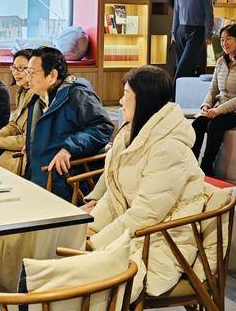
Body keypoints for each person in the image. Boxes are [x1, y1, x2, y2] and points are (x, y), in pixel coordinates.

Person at [85, 66, 215, 296]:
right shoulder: (130, 135)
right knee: (64, 255)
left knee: (82, 277)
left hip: (163, 242)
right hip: (138, 233)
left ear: (144, 100)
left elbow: (146, 213)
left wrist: (98, 240)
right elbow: (114, 195)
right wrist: (92, 227)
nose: (120, 101)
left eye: (126, 94)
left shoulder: (168, 148)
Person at [25, 48, 114, 200]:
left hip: (65, 184)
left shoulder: (78, 95)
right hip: (41, 178)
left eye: (32, 73)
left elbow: (103, 127)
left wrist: (69, 147)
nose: (28, 78)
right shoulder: (37, 97)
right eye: (28, 72)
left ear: (52, 75)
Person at [192, 23, 236, 178]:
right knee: (198, 123)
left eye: (228, 39)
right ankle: (190, 166)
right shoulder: (221, 61)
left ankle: (206, 167)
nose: (224, 43)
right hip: (222, 109)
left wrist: (218, 110)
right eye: (222, 39)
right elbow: (213, 89)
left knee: (215, 125)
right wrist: (206, 105)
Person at [171, 0, 213, 80]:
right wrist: (173, 32)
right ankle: (183, 91)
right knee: (181, 64)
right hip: (180, 31)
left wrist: (208, 34)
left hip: (197, 32)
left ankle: (173, 90)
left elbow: (209, 13)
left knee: (183, 66)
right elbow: (176, 12)